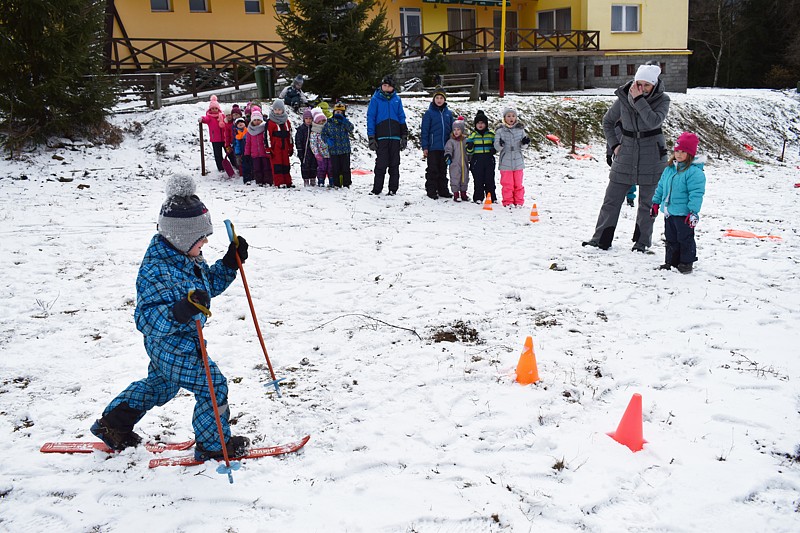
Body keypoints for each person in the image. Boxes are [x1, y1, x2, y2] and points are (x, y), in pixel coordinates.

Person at [91, 173, 251, 462]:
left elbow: (205, 288)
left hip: (178, 341)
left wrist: (229, 264)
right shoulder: (156, 269)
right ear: (181, 236)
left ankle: (113, 424)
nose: (205, 241)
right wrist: (180, 311)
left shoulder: (185, 257)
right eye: (200, 237)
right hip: (171, 343)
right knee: (212, 385)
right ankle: (215, 444)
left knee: (161, 386)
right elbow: (147, 319)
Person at [583, 63, 670, 252]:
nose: (642, 88)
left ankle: (641, 242)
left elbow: (654, 121)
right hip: (626, 153)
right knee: (611, 200)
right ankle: (601, 239)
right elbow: (608, 121)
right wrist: (614, 145)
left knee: (647, 204)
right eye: (639, 84)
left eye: (647, 85)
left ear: (654, 85)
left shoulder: (663, 100)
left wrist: (639, 100)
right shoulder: (624, 97)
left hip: (652, 155)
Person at [651, 132, 706, 273]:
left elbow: (696, 194)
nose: (679, 154)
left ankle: (686, 263)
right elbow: (661, 186)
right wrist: (656, 203)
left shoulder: (694, 173)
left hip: (684, 213)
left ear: (690, 154)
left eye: (683, 152)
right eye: (677, 151)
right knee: (670, 238)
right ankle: (671, 261)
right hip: (669, 211)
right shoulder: (669, 169)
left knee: (685, 238)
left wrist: (693, 212)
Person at [366, 75, 408, 196]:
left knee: (394, 165)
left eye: (388, 85)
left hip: (395, 137)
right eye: (384, 85)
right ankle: (377, 188)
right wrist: (371, 137)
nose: (385, 87)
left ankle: (393, 189)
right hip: (381, 137)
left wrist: (404, 135)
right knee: (381, 164)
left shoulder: (397, 100)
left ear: (392, 87)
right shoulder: (375, 99)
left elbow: (401, 117)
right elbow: (371, 117)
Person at [420, 86, 454, 199]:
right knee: (432, 169)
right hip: (433, 147)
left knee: (443, 169)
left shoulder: (448, 114)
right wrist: (425, 147)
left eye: (441, 98)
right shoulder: (429, 113)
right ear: (433, 99)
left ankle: (443, 190)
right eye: (437, 98)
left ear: (444, 99)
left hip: (445, 147)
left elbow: (452, 130)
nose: (439, 100)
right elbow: (424, 131)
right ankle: (431, 190)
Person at [493, 106, 529, 207]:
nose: (511, 118)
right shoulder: (500, 131)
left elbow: (524, 146)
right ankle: (508, 202)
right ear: (504, 118)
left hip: (518, 162)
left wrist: (525, 143)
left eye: (513, 116)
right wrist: (500, 144)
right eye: (508, 116)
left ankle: (519, 201)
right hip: (506, 162)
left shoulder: (520, 130)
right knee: (507, 184)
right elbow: (496, 147)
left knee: (518, 184)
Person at [466, 110, 497, 204]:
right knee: (478, 180)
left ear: (486, 124)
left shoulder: (491, 134)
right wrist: (470, 147)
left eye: (482, 123)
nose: (480, 125)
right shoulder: (473, 135)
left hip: (488, 160)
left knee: (489, 179)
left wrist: (494, 149)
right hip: (477, 160)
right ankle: (478, 197)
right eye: (478, 123)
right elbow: (468, 151)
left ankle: (491, 196)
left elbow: (497, 145)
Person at [266, 98, 294, 188]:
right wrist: (268, 149)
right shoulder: (270, 122)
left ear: (283, 110)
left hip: (284, 146)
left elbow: (289, 135)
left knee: (286, 164)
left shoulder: (286, 121)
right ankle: (279, 182)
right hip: (275, 147)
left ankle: (288, 181)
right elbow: (267, 137)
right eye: (276, 110)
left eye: (279, 110)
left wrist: (291, 147)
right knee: (277, 165)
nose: (277, 112)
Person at [198, 95, 226, 173]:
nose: (214, 110)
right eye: (212, 108)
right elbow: (205, 119)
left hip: (224, 138)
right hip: (215, 139)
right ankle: (220, 168)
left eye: (216, 108)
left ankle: (234, 164)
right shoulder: (209, 117)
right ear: (210, 109)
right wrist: (201, 119)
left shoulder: (222, 116)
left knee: (229, 152)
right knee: (218, 154)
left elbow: (227, 121)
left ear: (218, 109)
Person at [444, 116, 469, 202]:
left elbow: (469, 151)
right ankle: (456, 194)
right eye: (454, 130)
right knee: (455, 178)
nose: (456, 132)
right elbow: (448, 149)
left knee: (464, 178)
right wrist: (448, 155)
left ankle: (463, 193)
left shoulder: (465, 140)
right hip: (454, 164)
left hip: (464, 163)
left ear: (462, 130)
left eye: (458, 130)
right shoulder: (451, 141)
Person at [244, 108, 271, 186]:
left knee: (266, 168)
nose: (256, 122)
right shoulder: (250, 131)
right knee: (257, 168)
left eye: (258, 120)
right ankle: (259, 181)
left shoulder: (264, 128)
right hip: (255, 154)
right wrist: (247, 153)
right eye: (255, 120)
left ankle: (267, 181)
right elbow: (248, 143)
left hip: (264, 153)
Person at [295, 108, 318, 187]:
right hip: (304, 151)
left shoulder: (314, 128)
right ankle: (306, 180)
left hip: (313, 150)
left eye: (310, 118)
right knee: (305, 165)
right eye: (306, 118)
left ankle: (313, 179)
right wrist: (299, 149)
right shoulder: (301, 129)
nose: (308, 120)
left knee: (314, 165)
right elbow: (298, 140)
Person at [310, 108, 331, 187]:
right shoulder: (315, 132)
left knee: (330, 168)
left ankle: (331, 180)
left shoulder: (328, 129)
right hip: (320, 154)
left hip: (330, 153)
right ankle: (321, 181)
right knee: (322, 168)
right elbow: (313, 143)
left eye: (323, 121)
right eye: (320, 121)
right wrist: (316, 153)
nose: (322, 123)